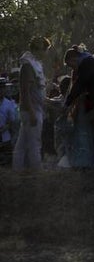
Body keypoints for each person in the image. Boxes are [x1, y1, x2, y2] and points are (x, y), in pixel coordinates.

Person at [14, 37, 51, 171]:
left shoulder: (33, 64)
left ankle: (18, 168)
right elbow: (25, 92)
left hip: (35, 108)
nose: (46, 53)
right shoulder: (28, 66)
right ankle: (36, 169)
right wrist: (31, 112)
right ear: (39, 49)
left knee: (23, 142)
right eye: (45, 50)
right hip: (32, 109)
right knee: (34, 142)